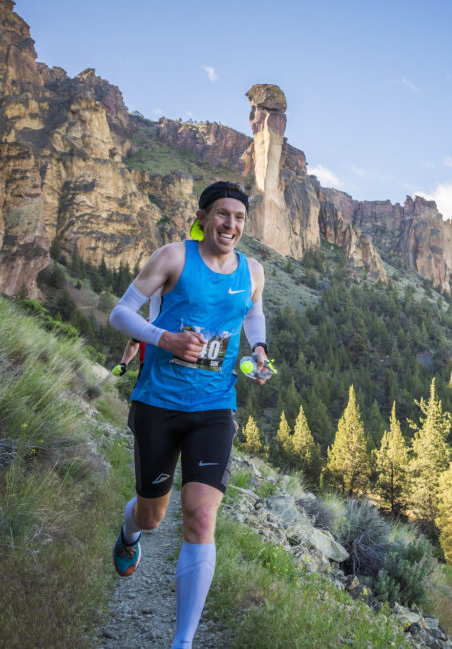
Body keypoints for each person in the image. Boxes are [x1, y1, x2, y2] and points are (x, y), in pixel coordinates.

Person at [107, 181, 271, 648]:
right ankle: (129, 533)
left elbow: (252, 312)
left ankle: (182, 642)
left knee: (200, 517)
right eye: (222, 215)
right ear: (203, 217)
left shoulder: (253, 270)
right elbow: (121, 314)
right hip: (157, 401)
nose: (231, 225)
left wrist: (257, 350)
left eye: (239, 218)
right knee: (153, 515)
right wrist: (165, 339)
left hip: (215, 406)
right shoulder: (174, 257)